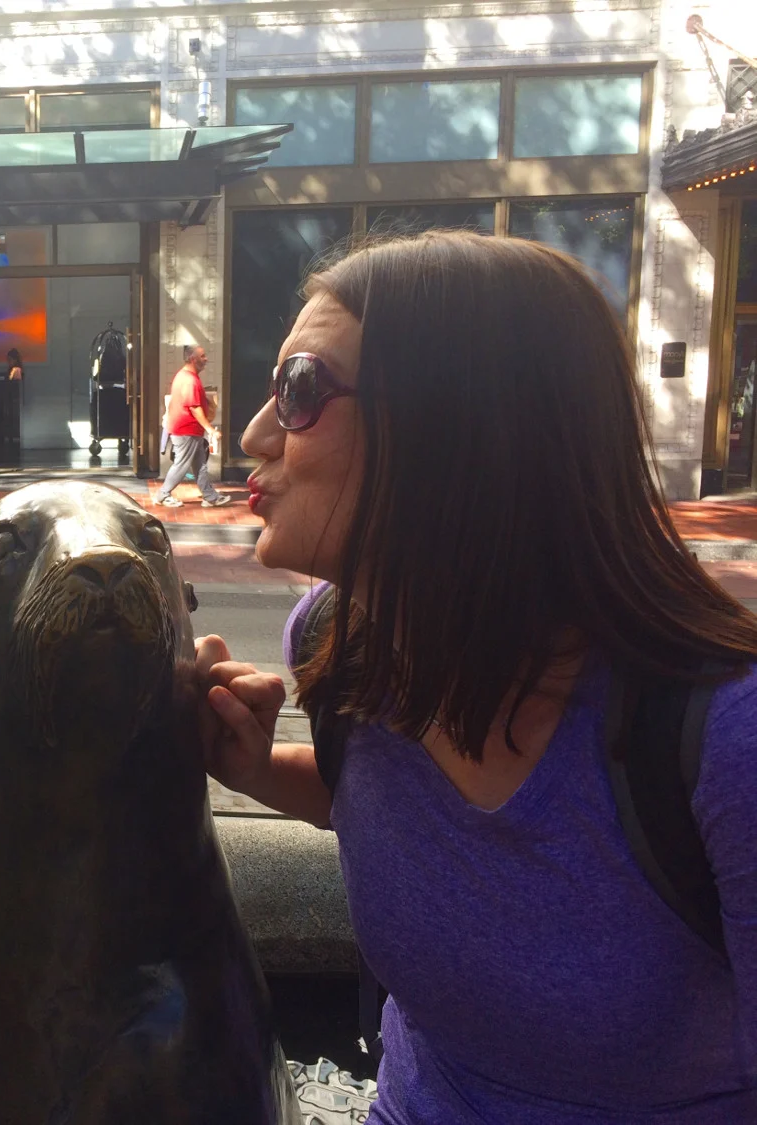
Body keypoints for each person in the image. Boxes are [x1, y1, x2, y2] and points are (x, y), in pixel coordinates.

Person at [197, 231, 757, 1121]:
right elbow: (417, 810)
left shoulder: (727, 739)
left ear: (453, 424)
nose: (252, 434)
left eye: (298, 389)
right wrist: (257, 768)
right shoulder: (336, 639)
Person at [154, 344, 228, 508]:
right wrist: (210, 430)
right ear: (193, 359)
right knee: (182, 464)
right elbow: (194, 408)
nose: (206, 359)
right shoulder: (189, 380)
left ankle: (210, 496)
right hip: (186, 430)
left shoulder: (185, 377)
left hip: (187, 429)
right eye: (202, 356)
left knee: (200, 464)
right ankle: (163, 495)